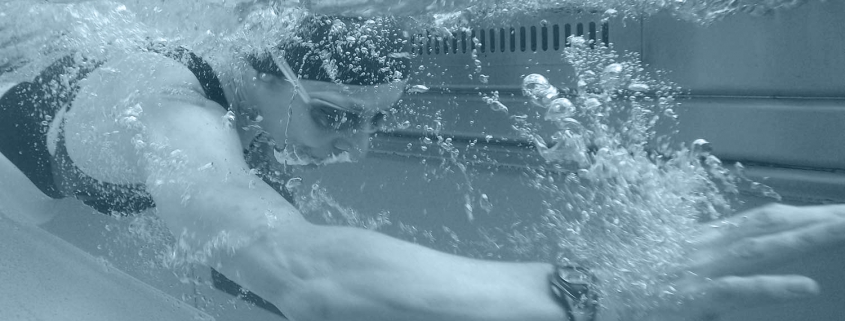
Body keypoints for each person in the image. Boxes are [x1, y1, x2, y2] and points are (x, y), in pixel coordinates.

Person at [1, 13, 843, 321]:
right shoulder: (174, 115)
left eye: (376, 123)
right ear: (263, 71)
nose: (353, 148)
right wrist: (588, 295)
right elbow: (300, 267)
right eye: (333, 117)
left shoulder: (241, 110)